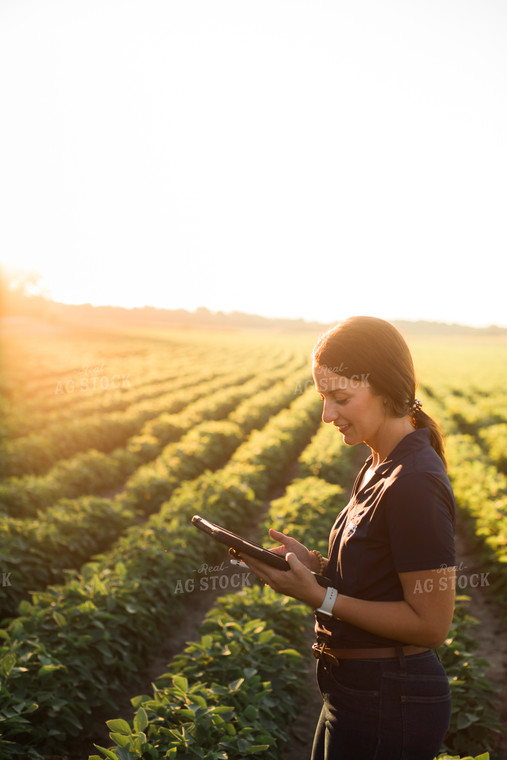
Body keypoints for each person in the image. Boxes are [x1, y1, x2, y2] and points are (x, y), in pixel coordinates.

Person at [243, 316, 456, 760]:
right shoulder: (378, 463)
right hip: (354, 691)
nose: (327, 415)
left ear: (386, 388)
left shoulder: (414, 480)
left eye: (341, 398)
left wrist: (319, 597)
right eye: (323, 398)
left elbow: (431, 625)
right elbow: (379, 574)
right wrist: (317, 567)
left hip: (390, 699)